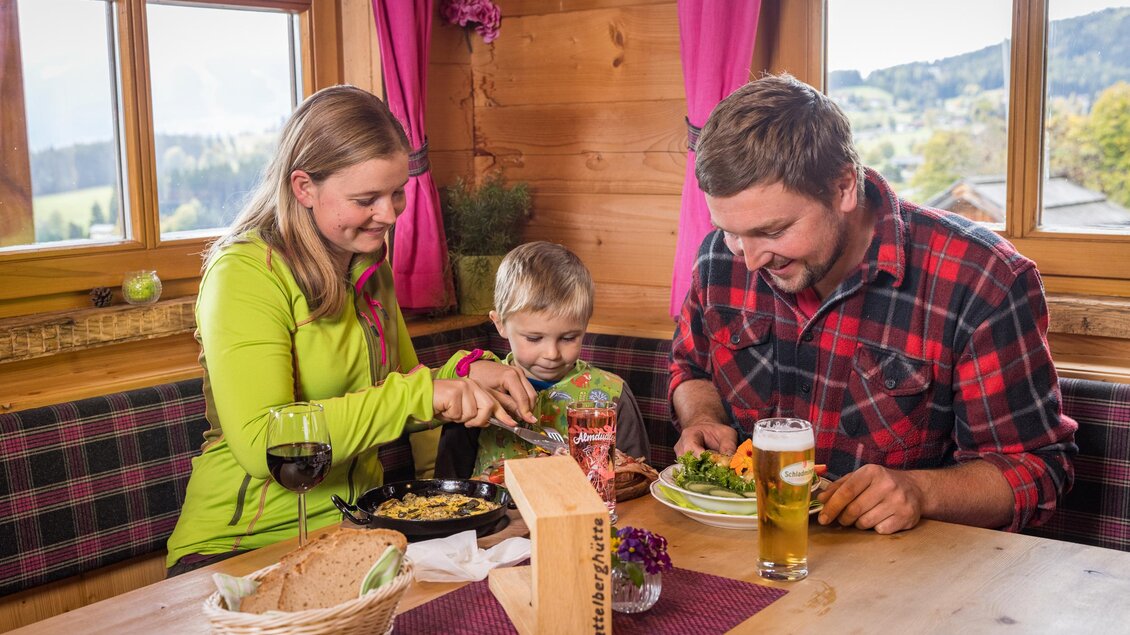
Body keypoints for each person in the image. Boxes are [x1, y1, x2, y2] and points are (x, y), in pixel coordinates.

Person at [670, 73, 1077, 535]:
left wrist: (920, 493)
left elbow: (1037, 469)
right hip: (747, 548)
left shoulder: (983, 279)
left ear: (844, 187)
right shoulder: (721, 258)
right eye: (730, 231)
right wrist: (702, 418)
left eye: (773, 231)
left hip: (905, 576)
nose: (750, 259)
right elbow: (692, 369)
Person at [165, 85, 536, 575]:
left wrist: (467, 373)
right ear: (304, 188)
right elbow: (263, 444)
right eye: (367, 199)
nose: (389, 214)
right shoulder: (244, 275)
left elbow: (401, 386)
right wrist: (423, 393)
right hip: (242, 548)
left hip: (358, 530)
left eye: (397, 192)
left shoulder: (367, 262)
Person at [436, 241, 650, 481]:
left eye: (569, 338)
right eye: (534, 338)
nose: (552, 354)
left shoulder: (612, 394)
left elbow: (635, 479)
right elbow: (449, 482)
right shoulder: (477, 390)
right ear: (500, 324)